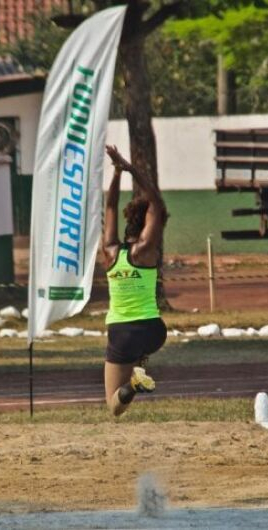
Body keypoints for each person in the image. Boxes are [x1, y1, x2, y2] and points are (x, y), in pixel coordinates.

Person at [102, 145, 169, 417]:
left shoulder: (109, 252)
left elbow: (109, 206)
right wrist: (131, 169)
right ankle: (139, 367)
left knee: (114, 405)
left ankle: (133, 383)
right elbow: (156, 204)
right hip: (154, 331)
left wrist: (117, 173)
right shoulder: (146, 251)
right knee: (139, 351)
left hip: (123, 332)